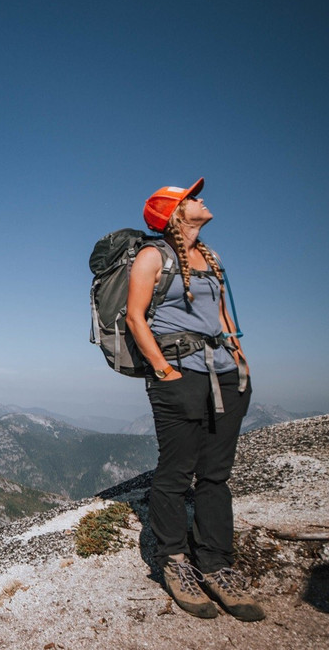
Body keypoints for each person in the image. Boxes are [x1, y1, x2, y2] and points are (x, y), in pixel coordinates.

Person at [125, 178, 264, 622]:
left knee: (216, 474)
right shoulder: (152, 256)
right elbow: (134, 317)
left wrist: (239, 359)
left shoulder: (212, 258)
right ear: (175, 213)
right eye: (191, 197)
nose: (201, 199)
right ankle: (174, 561)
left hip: (224, 373)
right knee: (175, 471)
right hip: (179, 372)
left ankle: (217, 564)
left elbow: (222, 314)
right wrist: (164, 371)